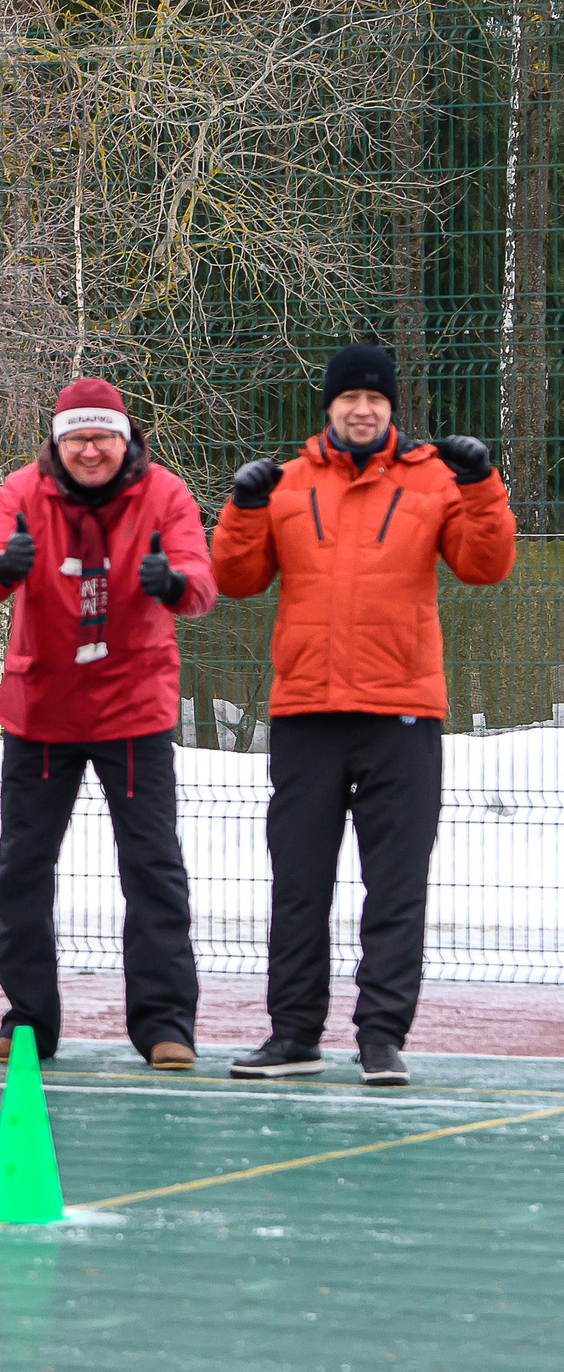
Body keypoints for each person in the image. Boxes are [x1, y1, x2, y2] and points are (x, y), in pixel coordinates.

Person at [211, 342, 517, 1087]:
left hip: (402, 714)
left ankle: (381, 1037)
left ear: (391, 409)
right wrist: (243, 509)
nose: (361, 409)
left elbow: (486, 564)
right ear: (329, 407)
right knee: (299, 885)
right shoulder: (287, 483)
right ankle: (294, 1035)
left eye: (375, 400)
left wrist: (482, 487)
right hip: (307, 712)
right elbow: (236, 577)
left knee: (397, 885)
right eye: (349, 398)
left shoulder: (435, 481)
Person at [0, 377, 216, 1071]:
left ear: (125, 437)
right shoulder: (22, 490)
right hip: (41, 707)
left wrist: (173, 583)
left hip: (132, 707)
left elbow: (201, 580)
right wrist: (3, 566)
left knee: (153, 867)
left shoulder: (164, 493)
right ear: (57, 440)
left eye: (102, 435)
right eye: (76, 436)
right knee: (21, 868)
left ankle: (166, 1023)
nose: (90, 449)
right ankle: (28, 1021)